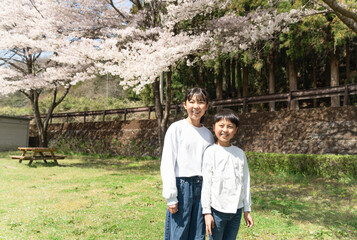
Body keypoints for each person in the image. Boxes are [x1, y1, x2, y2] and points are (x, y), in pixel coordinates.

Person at [160, 87, 215, 240]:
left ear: (207, 106)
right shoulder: (176, 128)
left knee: (198, 233)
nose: (196, 106)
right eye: (191, 102)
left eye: (200, 102)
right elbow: (167, 163)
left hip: (202, 187)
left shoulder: (208, 134)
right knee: (178, 233)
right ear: (185, 105)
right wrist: (171, 196)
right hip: (182, 187)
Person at [201, 109, 254, 240]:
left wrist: (247, 210)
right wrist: (207, 212)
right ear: (214, 127)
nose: (225, 130)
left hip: (236, 211)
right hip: (217, 210)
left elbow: (245, 182)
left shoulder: (240, 154)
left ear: (236, 130)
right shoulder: (210, 152)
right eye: (221, 125)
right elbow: (206, 183)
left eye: (230, 126)